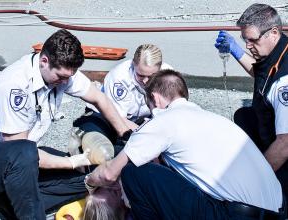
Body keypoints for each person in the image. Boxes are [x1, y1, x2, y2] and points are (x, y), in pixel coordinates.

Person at [0, 29, 131, 220]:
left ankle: (6, 201)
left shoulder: (64, 72)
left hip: (22, 162)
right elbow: (18, 150)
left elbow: (98, 98)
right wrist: (69, 162)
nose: (65, 82)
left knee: (94, 176)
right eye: (61, 77)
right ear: (44, 61)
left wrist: (125, 134)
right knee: (28, 153)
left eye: (69, 77)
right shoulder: (15, 85)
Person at [85, 69, 286, 220]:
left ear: (154, 98)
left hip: (234, 214)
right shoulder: (215, 120)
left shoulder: (165, 120)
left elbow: (109, 174)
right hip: (277, 209)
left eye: (150, 106)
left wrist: (90, 182)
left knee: (134, 173)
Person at [214, 3, 288, 195]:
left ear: (273, 32)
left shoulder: (285, 82)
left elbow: (285, 144)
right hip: (271, 130)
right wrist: (235, 50)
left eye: (252, 40)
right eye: (244, 40)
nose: (248, 45)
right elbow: (261, 73)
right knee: (244, 116)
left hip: (284, 152)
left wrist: (255, 181)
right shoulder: (278, 52)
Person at [73, 44, 172, 150]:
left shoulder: (169, 76)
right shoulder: (119, 77)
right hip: (107, 116)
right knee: (98, 146)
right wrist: (145, 136)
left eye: (151, 76)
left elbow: (174, 112)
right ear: (133, 64)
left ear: (160, 68)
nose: (145, 81)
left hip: (140, 121)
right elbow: (119, 119)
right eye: (141, 75)